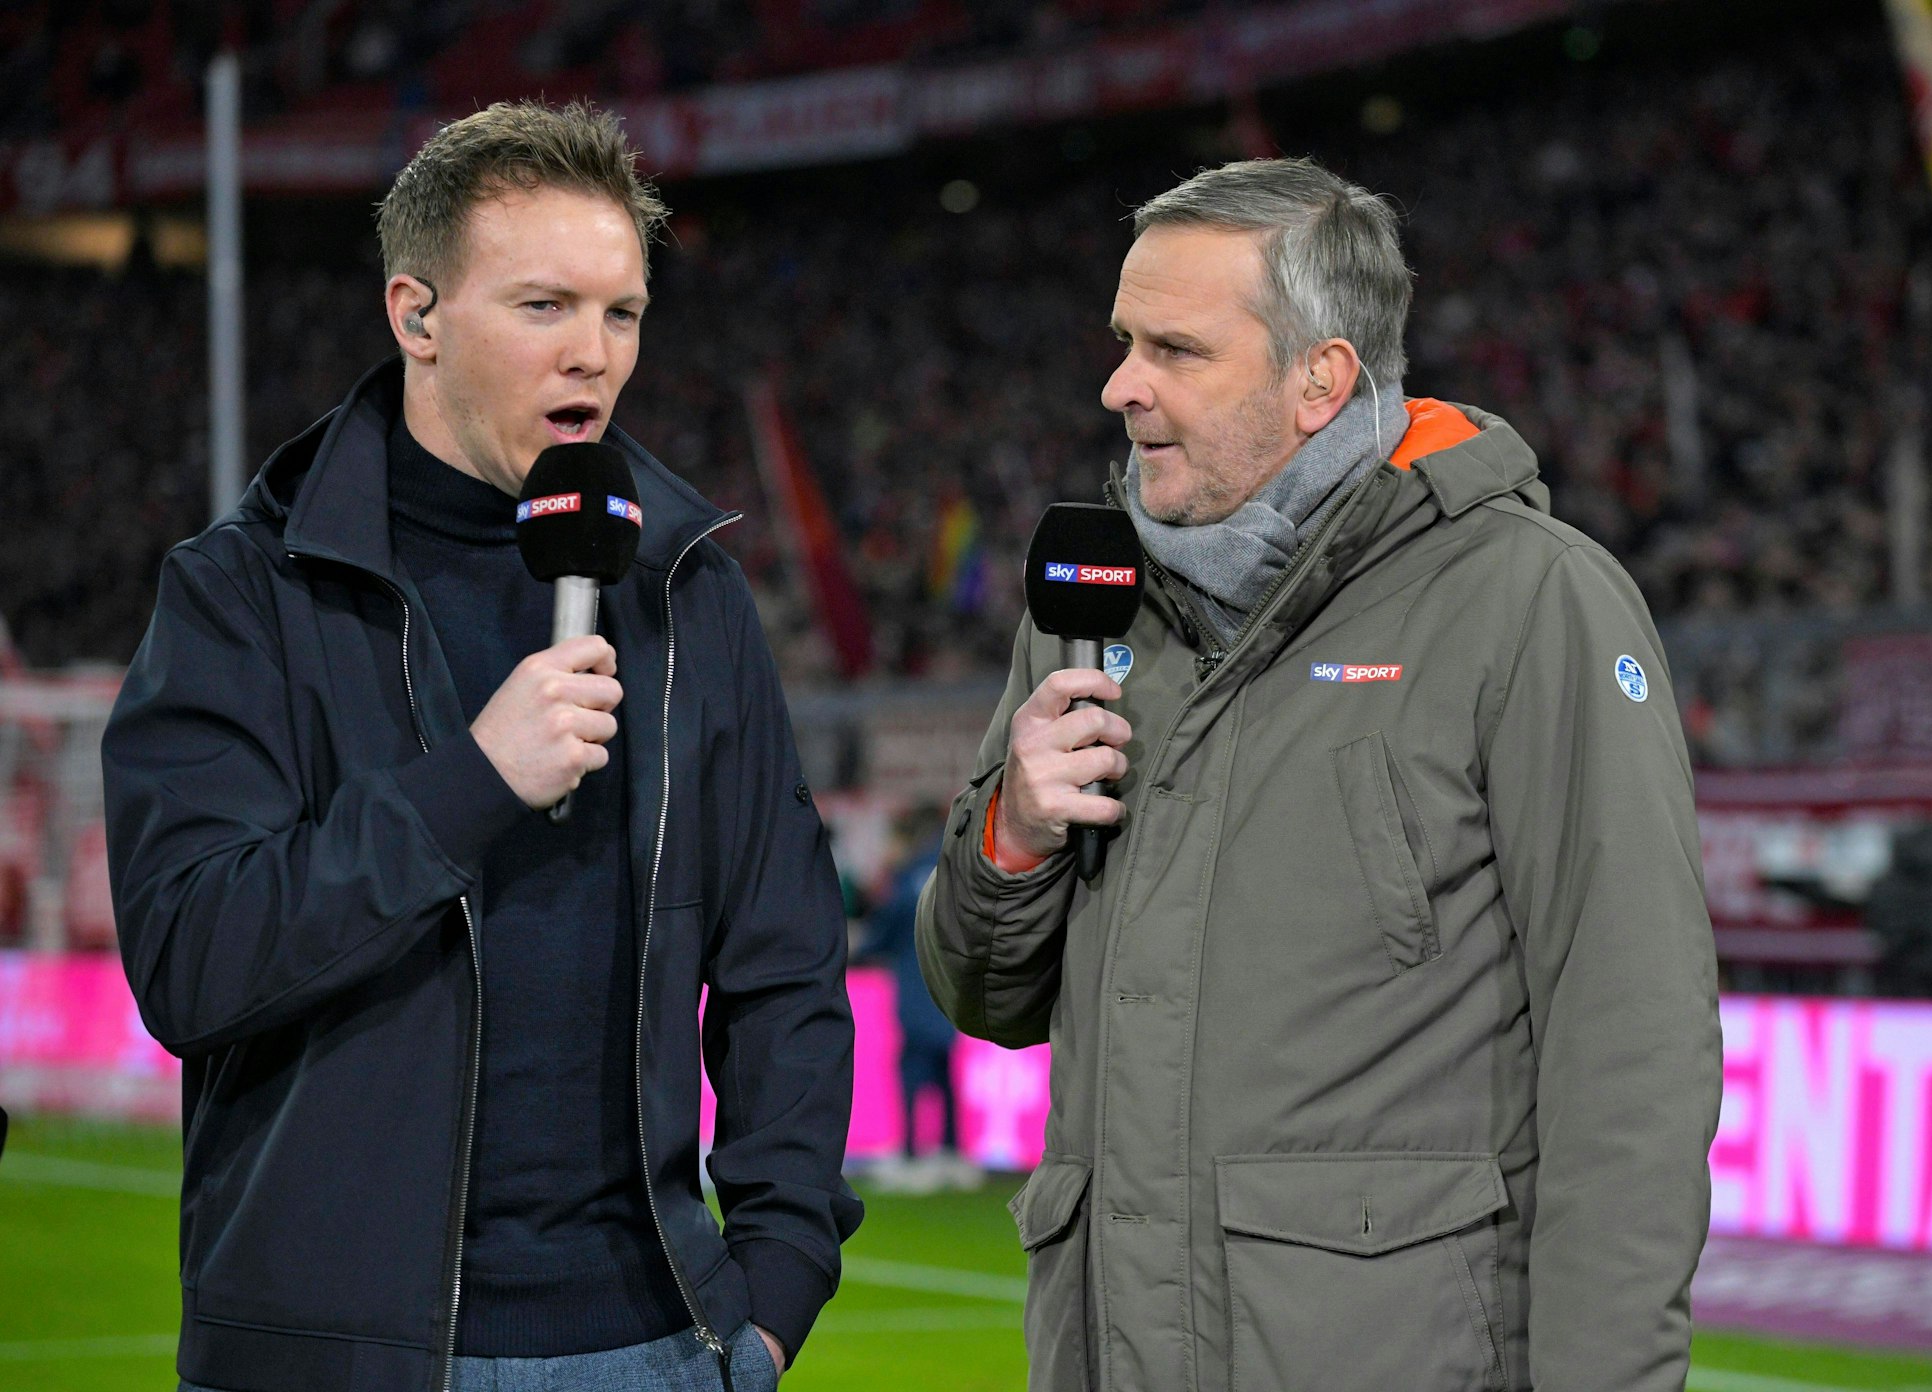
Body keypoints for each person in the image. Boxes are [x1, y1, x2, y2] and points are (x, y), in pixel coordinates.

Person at [917, 157, 1722, 1391]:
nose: (1118, 386)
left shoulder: (1527, 600)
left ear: (1320, 380)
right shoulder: (1086, 613)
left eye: (1175, 351)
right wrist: (1010, 840)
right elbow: (983, 998)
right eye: (1124, 341)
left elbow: (1631, 1054)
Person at [103, 101, 860, 1392]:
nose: (594, 356)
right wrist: (468, 785)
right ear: (416, 316)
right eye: (543, 308)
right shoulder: (245, 591)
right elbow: (190, 962)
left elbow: (782, 966)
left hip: (657, 1348)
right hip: (343, 1361)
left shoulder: (687, 592)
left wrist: (776, 1284)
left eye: (620, 312)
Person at [858, 803, 982, 1193]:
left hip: (917, 987)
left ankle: (913, 1156)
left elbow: (886, 930)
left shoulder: (909, 873)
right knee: (944, 1071)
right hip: (953, 988)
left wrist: (852, 950)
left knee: (912, 1071)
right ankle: (951, 1152)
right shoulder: (955, 868)